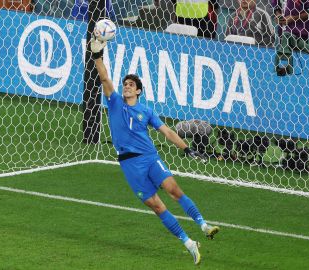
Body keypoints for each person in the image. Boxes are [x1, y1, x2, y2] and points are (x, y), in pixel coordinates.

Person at [89, 33, 220, 265]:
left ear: (138, 91)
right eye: (125, 84)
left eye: (131, 85)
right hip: (129, 164)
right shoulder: (115, 102)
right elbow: (104, 76)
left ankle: (204, 225)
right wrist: (97, 53)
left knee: (174, 190)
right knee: (157, 206)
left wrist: (187, 148)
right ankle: (190, 244)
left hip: (150, 158)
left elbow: (168, 132)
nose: (126, 87)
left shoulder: (146, 111)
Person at [271, 0, 309, 76]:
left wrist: (293, 18)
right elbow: (275, 4)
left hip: (301, 35)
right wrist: (278, 15)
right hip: (282, 34)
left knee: (301, 68)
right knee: (280, 71)